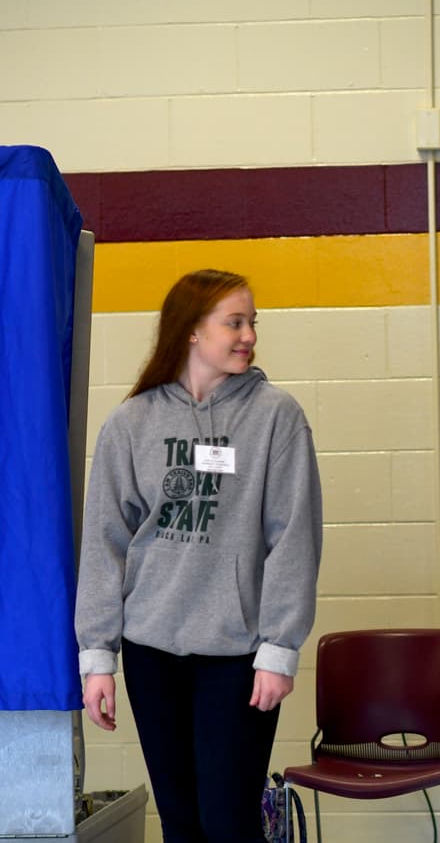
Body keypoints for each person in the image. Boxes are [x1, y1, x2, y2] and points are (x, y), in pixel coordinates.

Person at [76, 269, 323, 842]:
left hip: (236, 657)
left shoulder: (275, 417)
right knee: (182, 824)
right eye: (234, 323)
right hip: (150, 654)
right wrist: (97, 656)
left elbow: (294, 537)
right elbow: (105, 543)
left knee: (229, 823)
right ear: (190, 331)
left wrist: (279, 648)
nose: (249, 336)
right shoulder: (131, 423)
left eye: (251, 323)